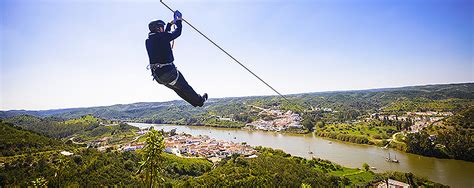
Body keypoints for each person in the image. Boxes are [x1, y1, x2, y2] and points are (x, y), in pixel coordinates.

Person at [146, 10, 208, 107]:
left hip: (158, 76)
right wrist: (179, 21)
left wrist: (169, 25)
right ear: (157, 28)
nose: (162, 29)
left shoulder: (149, 40)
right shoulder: (161, 37)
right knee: (185, 86)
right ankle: (199, 100)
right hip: (168, 72)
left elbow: (164, 36)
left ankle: (196, 102)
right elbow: (177, 33)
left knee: (178, 88)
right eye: (161, 27)